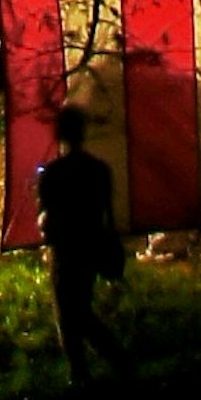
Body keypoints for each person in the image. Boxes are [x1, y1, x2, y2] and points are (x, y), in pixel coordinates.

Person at [36, 101, 122, 382]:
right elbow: (106, 213)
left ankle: (84, 370)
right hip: (91, 244)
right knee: (81, 307)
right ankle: (109, 362)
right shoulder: (99, 170)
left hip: (65, 248)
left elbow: (46, 217)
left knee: (68, 312)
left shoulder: (53, 174)